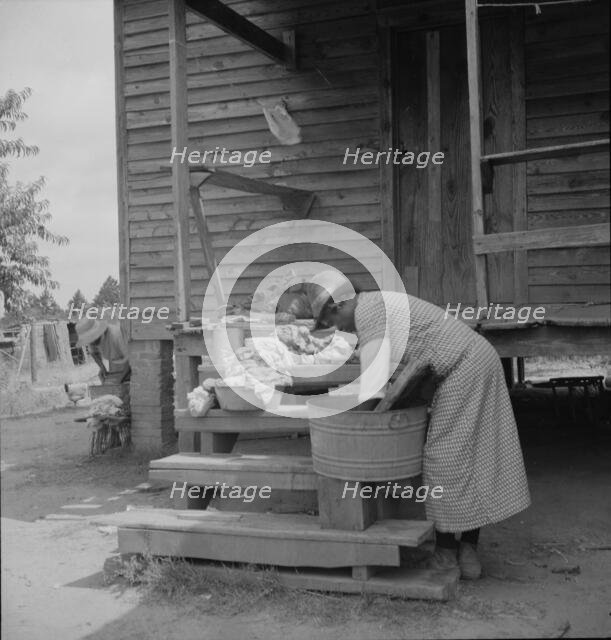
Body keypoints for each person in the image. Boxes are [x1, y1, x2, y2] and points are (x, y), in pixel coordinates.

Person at [314, 276, 531, 580]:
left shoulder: (369, 310)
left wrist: (340, 406)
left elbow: (372, 379)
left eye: (334, 320)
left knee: (444, 457)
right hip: (478, 359)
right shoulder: (378, 304)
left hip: (463, 368)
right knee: (473, 453)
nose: (340, 329)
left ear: (341, 303)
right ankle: (467, 548)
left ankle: (446, 552)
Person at [75, 319, 131, 384]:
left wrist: (119, 380)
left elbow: (133, 360)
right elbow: (93, 353)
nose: (90, 342)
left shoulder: (116, 335)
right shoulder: (92, 341)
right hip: (115, 364)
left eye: (91, 339)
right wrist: (102, 367)